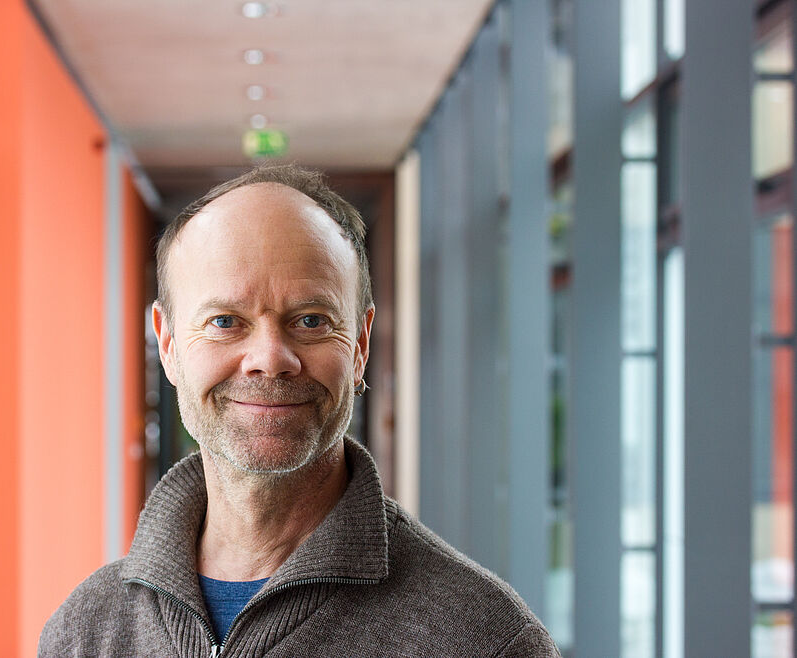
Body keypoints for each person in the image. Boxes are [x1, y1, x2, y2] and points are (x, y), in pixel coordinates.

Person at [38, 165, 559, 657]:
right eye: (225, 321)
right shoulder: (86, 630)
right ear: (168, 344)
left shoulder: (483, 641)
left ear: (359, 343)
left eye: (311, 320)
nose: (270, 359)